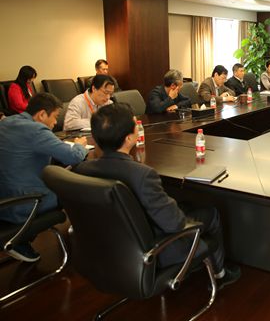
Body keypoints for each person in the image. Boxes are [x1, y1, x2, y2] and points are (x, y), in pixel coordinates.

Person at [73, 103, 240, 288]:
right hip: (154, 252)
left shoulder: (82, 169)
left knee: (183, 205)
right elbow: (175, 224)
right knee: (210, 213)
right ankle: (219, 274)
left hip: (107, 249)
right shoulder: (142, 175)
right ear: (129, 138)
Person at [0, 93, 88, 262]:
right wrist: (79, 145)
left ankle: (21, 240)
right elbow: (73, 156)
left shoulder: (6, 123)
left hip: (4, 200)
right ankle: (88, 240)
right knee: (74, 189)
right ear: (41, 114)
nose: (55, 123)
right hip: (25, 204)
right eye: (55, 117)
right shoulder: (36, 130)